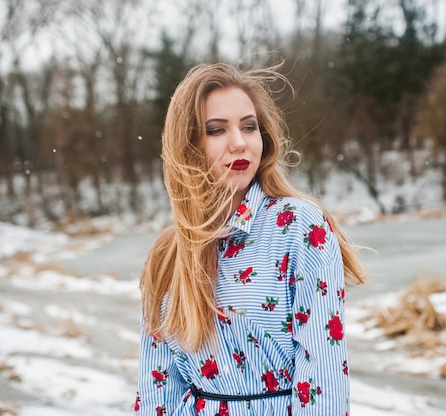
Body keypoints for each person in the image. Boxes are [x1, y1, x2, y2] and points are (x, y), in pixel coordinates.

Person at [136, 62, 367, 416]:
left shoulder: (300, 226)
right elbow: (157, 394)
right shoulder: (167, 256)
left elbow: (324, 374)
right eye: (216, 130)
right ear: (188, 146)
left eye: (249, 126)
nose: (239, 143)